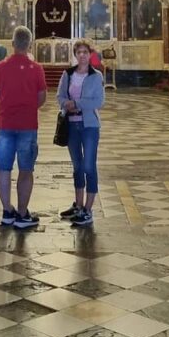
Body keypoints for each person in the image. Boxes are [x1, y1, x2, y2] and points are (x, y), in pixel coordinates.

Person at [0, 25, 47, 229]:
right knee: (26, 169)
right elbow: (42, 97)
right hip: (28, 124)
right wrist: (29, 106)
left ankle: (7, 211)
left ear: (13, 44)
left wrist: (8, 102)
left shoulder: (1, 67)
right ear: (30, 44)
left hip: (5, 123)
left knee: (3, 168)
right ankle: (22, 214)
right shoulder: (36, 69)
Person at [57, 39, 105, 227]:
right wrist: (65, 104)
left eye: (85, 52)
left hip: (90, 126)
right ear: (75, 55)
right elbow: (59, 95)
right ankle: (78, 205)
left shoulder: (96, 75)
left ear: (89, 54)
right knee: (77, 166)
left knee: (89, 166)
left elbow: (99, 101)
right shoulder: (67, 74)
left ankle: (88, 209)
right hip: (71, 125)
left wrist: (77, 104)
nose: (82, 55)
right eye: (79, 52)